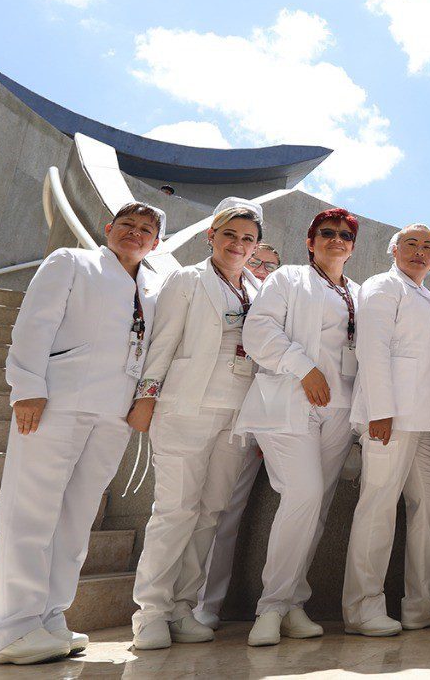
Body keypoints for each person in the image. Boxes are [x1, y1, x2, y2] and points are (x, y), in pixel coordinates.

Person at [0, 202, 164, 665]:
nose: (135, 232)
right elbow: (34, 322)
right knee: (31, 511)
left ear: (156, 242)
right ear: (109, 228)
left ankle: (50, 616)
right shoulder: (71, 261)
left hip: (114, 414)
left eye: (146, 229)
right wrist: (27, 387)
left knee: (76, 519)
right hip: (57, 401)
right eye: (127, 224)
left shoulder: (153, 287)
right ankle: (11, 628)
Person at [129, 199, 264, 650]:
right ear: (212, 236)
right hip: (186, 407)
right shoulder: (187, 279)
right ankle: (151, 612)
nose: (238, 244)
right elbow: (162, 341)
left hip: (236, 414)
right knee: (175, 510)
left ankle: (183, 607)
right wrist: (146, 397)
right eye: (230, 235)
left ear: (256, 246)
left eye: (247, 239)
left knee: (211, 512)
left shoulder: (259, 290)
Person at [235, 208, 361, 647]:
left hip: (340, 409)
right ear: (311, 242)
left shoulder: (358, 293)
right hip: (291, 400)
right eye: (326, 233)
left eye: (345, 235)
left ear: (353, 247)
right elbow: (258, 331)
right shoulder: (288, 278)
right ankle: (270, 607)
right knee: (304, 494)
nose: (336, 239)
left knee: (317, 506)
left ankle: (292, 604)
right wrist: (304, 368)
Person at [343, 225, 430, 636]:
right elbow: (371, 350)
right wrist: (381, 411)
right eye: (411, 244)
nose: (419, 251)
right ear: (393, 250)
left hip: (424, 422)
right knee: (378, 506)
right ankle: (361, 607)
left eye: (428, 246)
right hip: (388, 418)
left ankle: (422, 604)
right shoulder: (382, 285)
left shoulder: (429, 297)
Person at [193, 243, 280, 629]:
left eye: (271, 266)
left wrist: (264, 429)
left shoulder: (278, 302)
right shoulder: (219, 288)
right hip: (204, 407)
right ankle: (174, 601)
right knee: (187, 508)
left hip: (250, 423)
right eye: (256, 261)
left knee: (226, 512)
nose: (261, 269)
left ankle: (206, 605)